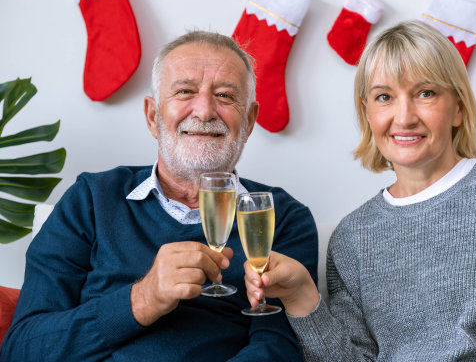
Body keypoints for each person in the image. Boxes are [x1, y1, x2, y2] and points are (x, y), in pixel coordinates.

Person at [244, 20, 476, 361]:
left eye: (425, 93)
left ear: (457, 107)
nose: (405, 116)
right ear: (367, 114)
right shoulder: (352, 236)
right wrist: (303, 295)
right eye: (384, 97)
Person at [1, 31, 318, 361]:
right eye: (185, 91)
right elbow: (22, 348)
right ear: (153, 116)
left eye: (225, 95)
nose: (205, 110)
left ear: (250, 120)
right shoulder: (91, 199)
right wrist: (142, 300)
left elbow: (277, 349)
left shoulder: (281, 217)